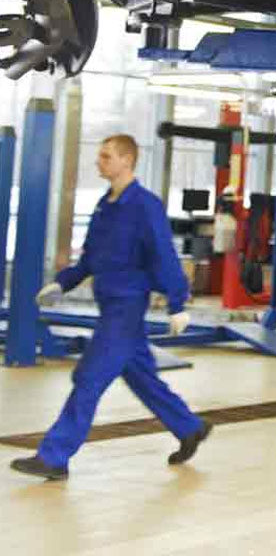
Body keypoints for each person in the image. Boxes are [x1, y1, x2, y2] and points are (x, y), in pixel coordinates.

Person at [10, 134, 212, 481]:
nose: (99, 162)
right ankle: (189, 426)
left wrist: (178, 303)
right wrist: (63, 282)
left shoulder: (144, 206)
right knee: (141, 375)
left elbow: (164, 254)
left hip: (126, 307)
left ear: (126, 161)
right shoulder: (106, 205)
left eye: (106, 156)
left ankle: (54, 456)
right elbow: (91, 257)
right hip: (110, 305)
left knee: (88, 377)